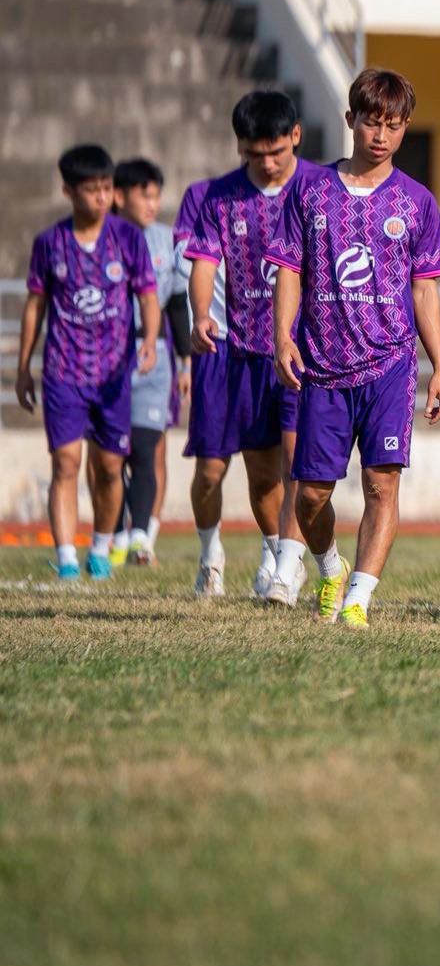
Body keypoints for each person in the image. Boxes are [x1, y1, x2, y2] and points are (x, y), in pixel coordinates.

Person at [269, 69, 440, 629]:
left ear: (405, 128)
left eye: (393, 126)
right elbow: (288, 268)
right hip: (322, 366)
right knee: (310, 497)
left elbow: (425, 289)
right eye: (372, 122)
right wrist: (282, 336)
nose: (381, 135)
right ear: (351, 119)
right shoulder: (309, 190)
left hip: (390, 365)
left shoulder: (418, 202)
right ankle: (330, 568)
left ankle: (358, 600)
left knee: (381, 484)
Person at [187, 92, 321, 608]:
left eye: (276, 151)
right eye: (254, 153)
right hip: (245, 352)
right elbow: (204, 263)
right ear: (240, 146)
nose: (266, 163)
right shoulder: (220, 197)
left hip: (305, 351)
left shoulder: (318, 188)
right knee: (263, 477)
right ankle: (274, 553)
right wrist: (202, 313)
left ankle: (286, 569)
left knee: (296, 461)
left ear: (296, 136)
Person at [15, 145, 161, 580]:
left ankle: (100, 548)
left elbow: (148, 296)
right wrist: (23, 367)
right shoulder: (50, 243)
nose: (101, 197)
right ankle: (65, 559)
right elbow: (34, 307)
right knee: (65, 463)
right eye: (91, 189)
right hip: (63, 373)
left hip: (114, 376)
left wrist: (150, 340)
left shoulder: (127, 238)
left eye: (106, 188)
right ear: (68, 191)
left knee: (111, 467)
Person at [111, 157, 182, 567]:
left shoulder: (166, 240)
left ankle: (142, 539)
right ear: (119, 197)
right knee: (109, 455)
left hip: (152, 356)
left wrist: (185, 363)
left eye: (157, 195)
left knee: (145, 448)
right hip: (106, 357)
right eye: (145, 195)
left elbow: (176, 303)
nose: (153, 204)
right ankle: (114, 536)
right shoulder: (101, 236)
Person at [173, 169, 239, 595]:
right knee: (211, 470)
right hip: (218, 347)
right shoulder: (202, 196)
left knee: (276, 467)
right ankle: (210, 555)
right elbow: (186, 270)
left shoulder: (300, 187)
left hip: (272, 345)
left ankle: (279, 563)